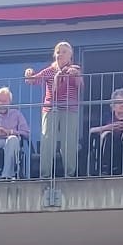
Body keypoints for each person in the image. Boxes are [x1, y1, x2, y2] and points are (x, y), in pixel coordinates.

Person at [25, 42, 83, 179]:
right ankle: (45, 174)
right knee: (47, 140)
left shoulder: (75, 70)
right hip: (50, 108)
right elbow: (33, 81)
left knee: (68, 141)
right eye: (58, 52)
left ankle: (69, 174)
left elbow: (80, 87)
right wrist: (29, 73)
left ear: (70, 56)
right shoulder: (50, 71)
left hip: (69, 109)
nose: (60, 54)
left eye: (64, 52)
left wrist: (76, 76)